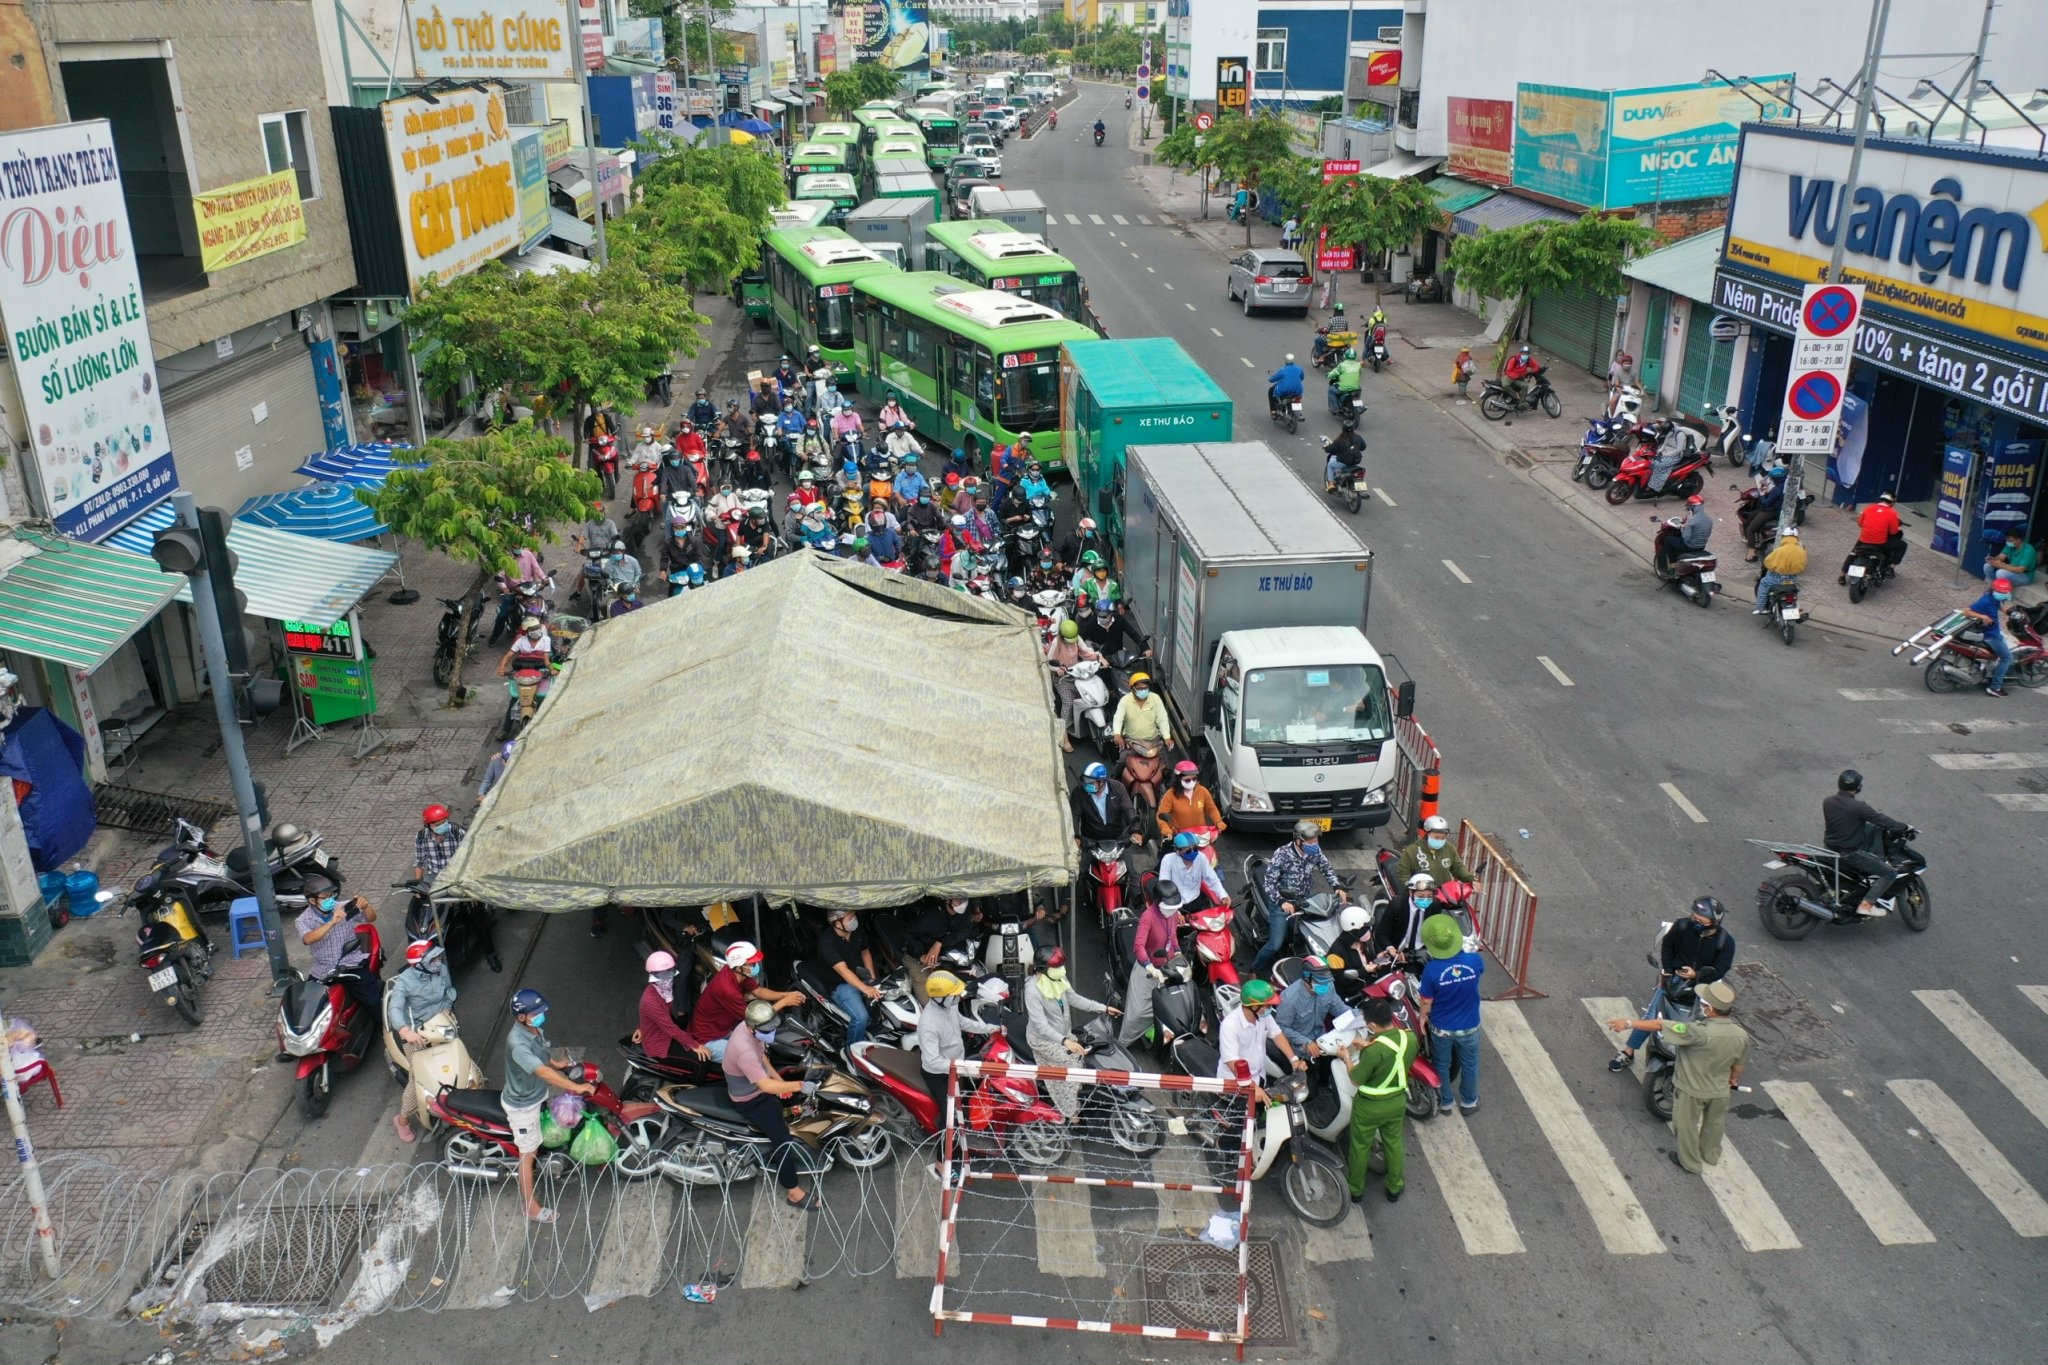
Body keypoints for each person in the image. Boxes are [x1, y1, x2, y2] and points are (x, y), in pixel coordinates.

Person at [1607, 979, 1749, 1175]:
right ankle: (1711, 1154)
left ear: (1710, 1009)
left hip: (1692, 1089)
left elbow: (1661, 1024)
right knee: (1714, 1124)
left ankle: (1690, 1163)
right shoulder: (1740, 1035)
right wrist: (1732, 1080)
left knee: (1686, 1126)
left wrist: (1629, 1023)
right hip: (1720, 1091)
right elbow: (1738, 1066)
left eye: (1704, 1003)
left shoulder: (1697, 1031)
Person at [1608, 896, 1734, 1072]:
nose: (1696, 922)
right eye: (1695, 918)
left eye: (1701, 921)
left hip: (1703, 984)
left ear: (1714, 922)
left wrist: (1696, 975)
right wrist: (1667, 970)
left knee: (1703, 1022)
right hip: (1674, 980)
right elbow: (1667, 947)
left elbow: (1721, 969)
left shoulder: (1725, 942)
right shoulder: (1682, 926)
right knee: (1652, 1015)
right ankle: (1628, 1052)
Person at [503, 988, 595, 1224]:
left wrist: (558, 1063)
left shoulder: (532, 1030)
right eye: (536, 1013)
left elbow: (544, 1057)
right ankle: (531, 1209)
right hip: (523, 1106)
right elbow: (542, 1071)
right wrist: (575, 1087)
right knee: (528, 1153)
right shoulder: (517, 1044)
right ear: (522, 1017)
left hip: (535, 1095)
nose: (541, 1015)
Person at [726, 1001, 821, 1210]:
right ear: (753, 1028)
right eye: (766, 1030)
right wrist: (799, 1085)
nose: (771, 1032)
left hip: (759, 1087)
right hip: (751, 1100)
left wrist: (780, 1081)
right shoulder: (744, 1051)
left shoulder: (748, 1029)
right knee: (782, 1140)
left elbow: (763, 1058)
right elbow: (765, 1086)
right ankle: (793, 1192)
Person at [1022, 946, 1118, 1118]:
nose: (1061, 970)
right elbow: (1041, 1027)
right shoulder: (1032, 991)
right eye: (1057, 967)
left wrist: (1103, 1008)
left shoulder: (1058, 978)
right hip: (1044, 1040)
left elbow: (1074, 998)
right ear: (1043, 969)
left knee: (1083, 1057)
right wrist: (1066, 1042)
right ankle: (1071, 1114)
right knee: (1068, 1075)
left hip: (1063, 1034)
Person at [1338, 996, 1416, 1203]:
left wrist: (1346, 1056)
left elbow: (1355, 1079)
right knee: (1394, 1143)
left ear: (1371, 1025)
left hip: (1369, 1107)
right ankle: (1394, 1186)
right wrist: (1367, 1044)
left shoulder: (1372, 1052)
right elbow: (1391, 1053)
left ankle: (1355, 1190)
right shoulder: (1410, 1038)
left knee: (1360, 1147)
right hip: (1397, 1102)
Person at [1252, 820, 1349, 976]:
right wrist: (1282, 901)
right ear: (1298, 840)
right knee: (1275, 944)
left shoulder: (1314, 851)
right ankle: (1255, 969)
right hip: (1282, 904)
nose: (1314, 844)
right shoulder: (1282, 854)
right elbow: (1269, 882)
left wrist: (1337, 887)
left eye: (1316, 840)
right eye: (1311, 841)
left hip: (1305, 900)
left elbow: (1326, 867)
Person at [385, 940, 456, 1144]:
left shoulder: (441, 969)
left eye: (437, 957)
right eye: (433, 958)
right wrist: (406, 1030)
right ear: (419, 963)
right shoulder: (404, 982)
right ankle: (403, 1120)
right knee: (418, 1081)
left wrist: (447, 1008)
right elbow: (395, 1009)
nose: (438, 960)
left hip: (442, 1025)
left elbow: (449, 991)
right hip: (418, 1032)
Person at [1416, 913, 1484, 1115]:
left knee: (1441, 1064)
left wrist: (1422, 1017)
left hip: (1441, 1027)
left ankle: (1445, 1102)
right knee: (1470, 1065)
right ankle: (1469, 1102)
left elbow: (1426, 1000)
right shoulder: (1474, 961)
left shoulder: (1431, 970)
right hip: (1470, 1026)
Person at [1824, 768, 1913, 919]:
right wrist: (1905, 827)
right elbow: (1883, 821)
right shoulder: (1859, 807)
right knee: (1889, 873)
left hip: (1829, 849)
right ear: (1858, 788)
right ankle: (1866, 906)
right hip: (1850, 854)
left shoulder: (1828, 801)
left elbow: (1844, 821)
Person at [917, 970, 999, 1118]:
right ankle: (946, 1140)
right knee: (951, 1117)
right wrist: (962, 1067)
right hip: (939, 1075)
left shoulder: (950, 1005)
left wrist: (988, 1029)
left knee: (969, 1097)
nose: (958, 997)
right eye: (954, 995)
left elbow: (962, 1022)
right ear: (940, 998)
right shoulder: (928, 1025)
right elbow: (933, 1061)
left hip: (957, 1064)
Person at [1118, 882, 1187, 1048]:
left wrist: (1177, 951)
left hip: (1168, 968)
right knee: (1137, 1014)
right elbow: (1138, 946)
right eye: (1169, 907)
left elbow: (1173, 936)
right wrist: (1149, 966)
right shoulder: (1148, 917)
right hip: (1147, 970)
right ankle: (1122, 1044)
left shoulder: (1173, 912)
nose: (1172, 911)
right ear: (1157, 902)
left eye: (1174, 908)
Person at [1217, 979, 1306, 1109]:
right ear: (1254, 1006)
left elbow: (1277, 1035)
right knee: (1243, 1124)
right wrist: (1251, 1086)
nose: (1270, 1009)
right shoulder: (1230, 1026)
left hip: (1259, 1076)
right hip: (1236, 1085)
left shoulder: (1263, 1016)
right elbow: (1232, 1062)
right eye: (1267, 1006)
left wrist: (1294, 1060)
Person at [295, 879, 380, 1012]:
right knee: (309, 1006)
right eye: (325, 897)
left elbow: (371, 918)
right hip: (323, 969)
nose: (330, 899)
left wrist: (366, 906)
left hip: (350, 963)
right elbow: (308, 939)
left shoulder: (345, 907)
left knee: (373, 1002)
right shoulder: (303, 920)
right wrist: (331, 923)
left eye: (331, 895)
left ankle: (381, 1029)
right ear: (312, 901)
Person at [817, 907, 881, 1044]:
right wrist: (865, 988)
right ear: (837, 922)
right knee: (861, 1017)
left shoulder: (857, 931)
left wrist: (872, 978)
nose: (854, 919)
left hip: (861, 978)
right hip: (840, 985)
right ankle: (851, 1051)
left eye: (854, 916)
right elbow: (843, 970)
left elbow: (865, 952)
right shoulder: (827, 942)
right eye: (850, 917)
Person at [1045, 619, 1103, 752]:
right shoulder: (1056, 643)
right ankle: (1064, 737)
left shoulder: (1077, 639)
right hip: (1063, 677)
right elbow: (1048, 662)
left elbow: (1086, 652)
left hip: (1078, 673)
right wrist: (1057, 669)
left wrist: (1099, 657)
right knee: (1068, 702)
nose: (1071, 643)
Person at [634, 950, 697, 1062]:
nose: (667, 978)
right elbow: (671, 1029)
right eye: (662, 974)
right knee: (699, 1060)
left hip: (666, 1028)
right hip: (659, 1043)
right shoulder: (651, 1001)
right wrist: (695, 1046)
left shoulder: (663, 990)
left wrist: (640, 1028)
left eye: (669, 972)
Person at [1275, 955, 1343, 1056]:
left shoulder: (1328, 985)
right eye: (1320, 983)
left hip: (1323, 1039)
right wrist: (1305, 1041)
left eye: (1326, 982)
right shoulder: (1289, 999)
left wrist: (1357, 1016)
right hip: (1301, 1049)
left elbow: (1338, 1007)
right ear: (1307, 980)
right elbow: (1281, 1027)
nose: (1324, 986)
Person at [1962, 575, 2018, 698]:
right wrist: (1983, 617)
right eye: (2000, 592)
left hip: (1993, 631)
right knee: (2007, 658)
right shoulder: (1986, 601)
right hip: (1991, 635)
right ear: (1993, 590)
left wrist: (2009, 612)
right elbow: (1966, 611)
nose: (2002, 594)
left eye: (2004, 592)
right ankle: (1995, 687)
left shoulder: (1995, 599)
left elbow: (2000, 607)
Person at [1392, 814, 1476, 891]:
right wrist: (1413, 888)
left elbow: (1458, 867)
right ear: (1427, 834)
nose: (1440, 840)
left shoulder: (1449, 848)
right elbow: (1403, 875)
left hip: (1445, 894)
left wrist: (1471, 880)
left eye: (1443, 838)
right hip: (1422, 896)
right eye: (1436, 837)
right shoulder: (1412, 851)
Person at [1837, 492, 1903, 584]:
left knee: (1853, 553)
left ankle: (1842, 575)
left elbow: (1860, 523)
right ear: (1892, 503)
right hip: (1880, 542)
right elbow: (1893, 532)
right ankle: (1890, 568)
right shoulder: (1892, 513)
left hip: (1864, 540)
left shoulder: (1868, 508)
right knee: (1902, 545)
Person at [1070, 760, 1141, 846]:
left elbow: (1128, 809)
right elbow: (1074, 816)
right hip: (1090, 841)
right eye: (1085, 782)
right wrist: (1076, 837)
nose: (1086, 785)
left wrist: (1135, 830)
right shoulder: (1078, 792)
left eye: (1091, 783)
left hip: (1116, 839)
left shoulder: (1118, 788)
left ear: (1102, 782)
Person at [1371, 872, 1437, 964]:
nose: (1426, 900)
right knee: (1376, 966)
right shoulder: (1397, 905)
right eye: (1421, 896)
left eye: (1429, 896)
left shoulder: (1434, 905)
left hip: (1423, 953)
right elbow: (1381, 933)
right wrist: (1390, 948)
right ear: (1411, 892)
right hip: (1398, 953)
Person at [1157, 830, 1228, 910]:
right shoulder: (1168, 860)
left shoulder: (1201, 858)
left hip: (1195, 902)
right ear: (1178, 850)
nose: (1193, 852)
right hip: (1174, 904)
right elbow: (1165, 887)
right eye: (1188, 850)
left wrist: (1223, 896)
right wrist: (1174, 911)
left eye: (1195, 849)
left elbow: (1213, 880)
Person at [1156, 760, 1225, 840]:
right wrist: (1165, 828)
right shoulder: (1170, 795)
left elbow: (1211, 809)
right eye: (1187, 780)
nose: (1191, 782)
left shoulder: (1203, 791)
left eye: (1194, 779)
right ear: (1178, 779)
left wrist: (1218, 821)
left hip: (1200, 837)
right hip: (1180, 838)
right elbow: (1161, 814)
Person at [1110, 670, 1171, 749]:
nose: (1143, 691)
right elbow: (1118, 718)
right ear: (1132, 688)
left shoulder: (1155, 699)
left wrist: (1167, 737)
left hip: (1153, 741)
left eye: (1146, 688)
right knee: (1123, 758)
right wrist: (1117, 734)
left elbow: (1162, 719)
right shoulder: (1125, 700)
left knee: (1161, 761)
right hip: (1131, 742)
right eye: (1140, 688)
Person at [1753, 526, 1807, 614]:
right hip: (1791, 579)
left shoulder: (1779, 550)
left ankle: (1761, 608)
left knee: (1763, 585)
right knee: (1793, 591)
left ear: (1783, 537)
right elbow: (1803, 564)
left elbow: (1768, 562)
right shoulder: (1801, 551)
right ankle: (1796, 608)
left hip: (1775, 578)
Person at [1655, 494, 1713, 574]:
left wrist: (1683, 527)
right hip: (1701, 546)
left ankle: (1673, 565)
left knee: (1667, 540)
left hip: (1689, 546)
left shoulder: (1692, 521)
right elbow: (1708, 533)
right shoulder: (1709, 520)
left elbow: (1686, 538)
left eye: (1689, 507)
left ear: (1692, 507)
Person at [1740, 466, 1787, 559]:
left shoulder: (1777, 490)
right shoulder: (1785, 486)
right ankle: (1755, 539)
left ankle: (1751, 553)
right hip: (1777, 510)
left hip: (1770, 512)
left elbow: (1766, 503)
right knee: (1749, 516)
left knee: (1750, 529)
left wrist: (1762, 494)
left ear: (1776, 478)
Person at [413, 803, 465, 883]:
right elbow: (419, 862)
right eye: (438, 825)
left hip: (456, 875)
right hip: (434, 877)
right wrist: (417, 885)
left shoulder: (457, 832)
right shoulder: (421, 836)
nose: (442, 826)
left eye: (444, 823)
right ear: (428, 825)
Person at [1324, 426, 1366, 491]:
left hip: (1344, 462)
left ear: (1343, 429)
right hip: (1356, 461)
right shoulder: (1358, 437)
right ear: (1352, 429)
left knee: (1330, 465)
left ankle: (1330, 484)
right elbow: (1363, 447)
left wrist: (1326, 447)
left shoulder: (1340, 439)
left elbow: (1329, 449)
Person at [1328, 346, 1363, 416]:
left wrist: (1328, 375)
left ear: (1346, 356)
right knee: (1359, 388)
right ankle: (1358, 403)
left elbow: (1332, 374)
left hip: (1344, 389)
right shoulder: (1358, 365)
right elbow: (1359, 373)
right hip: (1355, 389)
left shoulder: (1341, 365)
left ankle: (1335, 408)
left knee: (1331, 391)